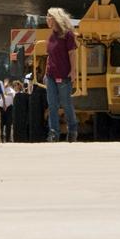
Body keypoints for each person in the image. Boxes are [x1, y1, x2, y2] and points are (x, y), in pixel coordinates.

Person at [44, 7, 79, 143]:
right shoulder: (51, 36)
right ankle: (53, 133)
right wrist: (46, 74)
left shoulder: (68, 35)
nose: (47, 19)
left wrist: (73, 71)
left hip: (64, 76)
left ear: (55, 18)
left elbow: (72, 54)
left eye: (48, 17)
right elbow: (50, 56)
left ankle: (72, 130)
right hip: (51, 76)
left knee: (66, 104)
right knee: (52, 104)